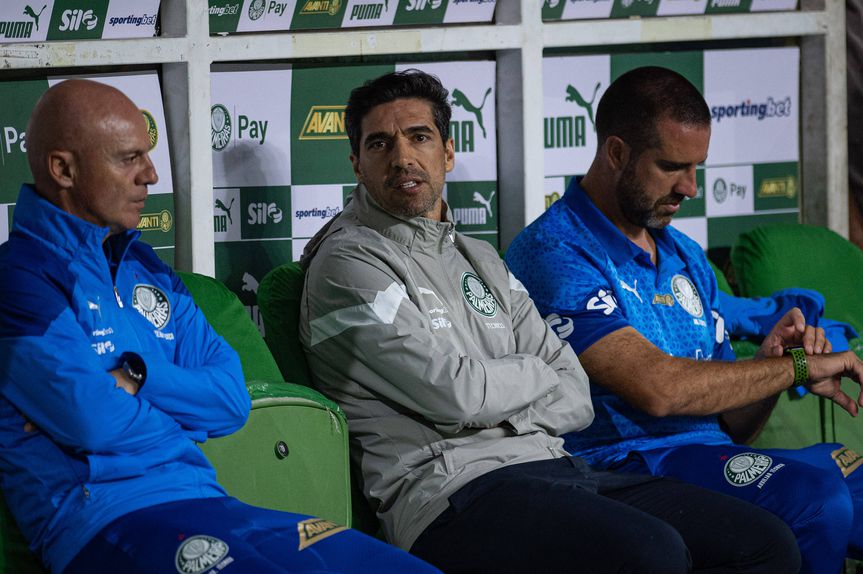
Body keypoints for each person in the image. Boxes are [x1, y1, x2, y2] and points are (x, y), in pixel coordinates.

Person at [299, 68, 802, 574]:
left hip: (555, 468)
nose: (403, 157)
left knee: (763, 542)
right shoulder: (348, 263)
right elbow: (456, 393)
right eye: (380, 144)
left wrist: (500, 401)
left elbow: (575, 393)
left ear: (447, 153)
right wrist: (534, 378)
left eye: (419, 137)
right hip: (449, 495)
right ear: (357, 165)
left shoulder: (478, 256)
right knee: (652, 552)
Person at [0, 79, 439, 574]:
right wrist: (176, 412)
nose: (150, 173)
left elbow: (231, 401)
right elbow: (93, 421)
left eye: (146, 155)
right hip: (105, 521)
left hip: (207, 499)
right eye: (128, 159)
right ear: (63, 168)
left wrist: (139, 377)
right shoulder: (18, 279)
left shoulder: (148, 268)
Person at [505, 65, 863, 574]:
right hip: (626, 466)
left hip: (704, 457)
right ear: (616, 153)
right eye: (672, 166)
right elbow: (659, 390)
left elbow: (732, 430)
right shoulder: (554, 251)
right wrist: (799, 372)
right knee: (816, 497)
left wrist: (773, 363)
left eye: (698, 167)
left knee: (851, 483)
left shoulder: (685, 256)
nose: (690, 187)